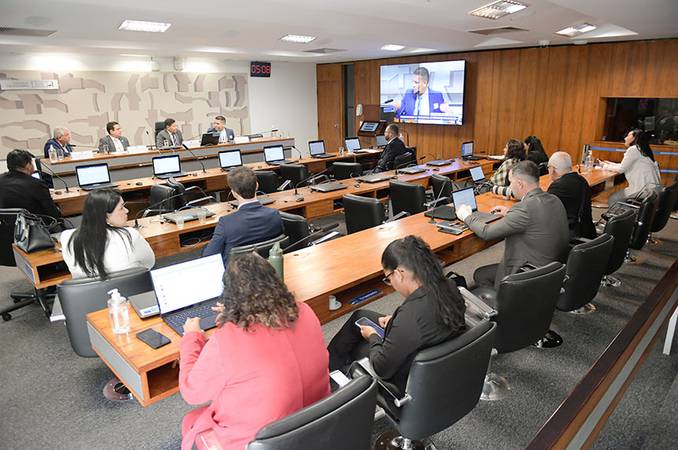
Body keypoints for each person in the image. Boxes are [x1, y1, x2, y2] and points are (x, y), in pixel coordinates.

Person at [179, 252, 330, 450]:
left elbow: (191, 392)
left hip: (263, 439)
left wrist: (192, 337)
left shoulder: (226, 341)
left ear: (229, 295)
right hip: (317, 419)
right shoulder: (305, 311)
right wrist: (233, 315)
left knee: (191, 421)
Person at [327, 235, 466, 393]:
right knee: (360, 317)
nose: (391, 284)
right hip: (436, 356)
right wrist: (396, 321)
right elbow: (426, 321)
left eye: (388, 278)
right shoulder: (449, 285)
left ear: (399, 274)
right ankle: (329, 367)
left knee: (358, 341)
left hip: (406, 377)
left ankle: (333, 376)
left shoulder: (410, 317)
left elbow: (381, 369)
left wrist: (373, 337)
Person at [457, 161, 569, 290]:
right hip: (553, 269)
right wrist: (509, 212)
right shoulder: (554, 199)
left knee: (480, 274)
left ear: (520, 184)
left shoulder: (524, 208)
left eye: (511, 183)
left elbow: (486, 233)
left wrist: (466, 216)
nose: (510, 187)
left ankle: (503, 305)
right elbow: (534, 219)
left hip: (530, 273)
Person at [60, 189, 155, 279]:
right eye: (121, 208)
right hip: (129, 291)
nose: (127, 211)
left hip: (88, 295)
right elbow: (149, 263)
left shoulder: (66, 237)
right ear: (105, 215)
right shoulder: (130, 235)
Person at [202, 167, 283, 263]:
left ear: (233, 193)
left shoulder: (226, 223)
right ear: (257, 186)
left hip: (238, 275)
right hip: (268, 270)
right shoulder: (274, 215)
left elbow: (209, 256)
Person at [601, 129, 661, 206]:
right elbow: (626, 165)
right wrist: (611, 164)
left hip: (644, 190)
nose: (625, 138)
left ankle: (623, 217)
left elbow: (621, 169)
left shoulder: (633, 149)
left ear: (634, 138)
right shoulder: (642, 150)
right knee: (617, 198)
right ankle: (627, 215)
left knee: (613, 199)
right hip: (653, 189)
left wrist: (604, 166)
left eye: (628, 135)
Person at [0, 149, 62, 221]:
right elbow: (53, 214)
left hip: (6, 227)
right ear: (28, 165)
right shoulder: (36, 184)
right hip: (35, 227)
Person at [547, 152, 597, 239]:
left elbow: (543, 210)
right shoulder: (582, 180)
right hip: (588, 231)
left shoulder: (559, 186)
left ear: (552, 169)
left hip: (572, 237)